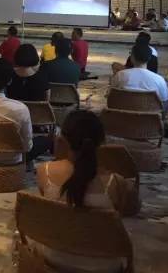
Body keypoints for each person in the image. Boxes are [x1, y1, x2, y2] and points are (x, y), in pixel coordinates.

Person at [35, 110, 130, 272]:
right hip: (103, 266)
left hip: (54, 257)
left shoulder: (45, 172)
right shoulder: (116, 183)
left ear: (63, 140)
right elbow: (125, 216)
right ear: (102, 142)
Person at [111, 43, 168, 117]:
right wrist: (161, 119)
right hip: (150, 122)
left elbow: (112, 98)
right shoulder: (159, 79)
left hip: (123, 119)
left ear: (132, 58)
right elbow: (165, 104)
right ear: (149, 58)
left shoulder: (120, 75)